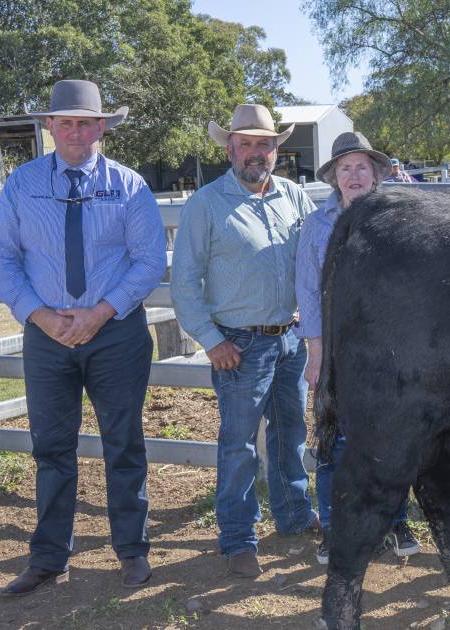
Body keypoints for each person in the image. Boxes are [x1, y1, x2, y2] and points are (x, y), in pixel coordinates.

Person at [0, 79, 166, 596]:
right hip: (46, 336)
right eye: (64, 121)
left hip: (115, 335)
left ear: (102, 128)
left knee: (124, 443)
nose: (74, 131)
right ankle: (48, 557)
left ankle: (132, 551)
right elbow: (1, 255)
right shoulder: (22, 185)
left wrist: (101, 312)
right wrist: (38, 315)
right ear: (49, 126)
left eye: (85, 122)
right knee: (51, 447)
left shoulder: (129, 186)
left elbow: (149, 259)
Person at [170, 104, 318, 577]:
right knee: (238, 444)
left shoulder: (294, 197)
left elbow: (315, 258)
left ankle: (294, 514)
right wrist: (212, 341)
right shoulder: (206, 204)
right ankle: (238, 536)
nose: (257, 152)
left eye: (265, 144)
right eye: (247, 143)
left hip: (290, 337)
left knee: (290, 431)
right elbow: (184, 281)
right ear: (230, 147)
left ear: (278, 149)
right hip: (238, 342)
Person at [299, 131, 421, 565]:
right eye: (345, 169)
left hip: (389, 350)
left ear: (375, 174)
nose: (353, 176)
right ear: (335, 178)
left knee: (393, 439)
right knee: (334, 442)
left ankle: (395, 519)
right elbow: (309, 294)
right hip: (337, 350)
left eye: (361, 168)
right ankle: (334, 529)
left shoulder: (398, 220)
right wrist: (316, 352)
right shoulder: (317, 226)